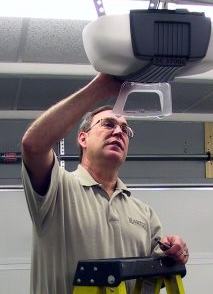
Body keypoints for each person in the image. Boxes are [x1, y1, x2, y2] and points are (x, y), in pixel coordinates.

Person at [21, 73, 189, 294]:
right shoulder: (57, 189)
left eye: (125, 129)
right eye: (108, 124)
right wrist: (100, 88)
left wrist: (176, 249)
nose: (118, 131)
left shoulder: (144, 214)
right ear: (83, 138)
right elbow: (32, 145)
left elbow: (154, 275)